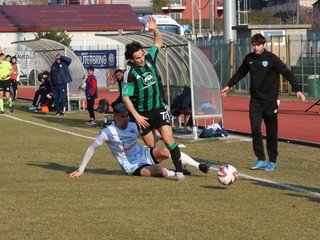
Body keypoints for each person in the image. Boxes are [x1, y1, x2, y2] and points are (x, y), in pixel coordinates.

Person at [220, 33, 306, 171]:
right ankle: (260, 159)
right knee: (255, 129)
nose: (256, 48)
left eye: (258, 45)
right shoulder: (249, 58)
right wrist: (228, 86)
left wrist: (298, 90)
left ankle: (272, 160)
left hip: (270, 102)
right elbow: (240, 73)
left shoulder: (271, 59)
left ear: (264, 44)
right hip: (255, 101)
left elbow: (287, 73)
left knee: (271, 131)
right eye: (253, 45)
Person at [69, 103, 211, 179]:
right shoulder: (107, 133)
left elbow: (150, 140)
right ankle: (174, 172)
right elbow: (91, 148)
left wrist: (160, 135)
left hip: (144, 153)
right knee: (156, 171)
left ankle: (200, 166)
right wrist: (81, 169)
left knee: (166, 151)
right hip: (131, 165)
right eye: (122, 116)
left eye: (127, 116)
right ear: (115, 117)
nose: (126, 119)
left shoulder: (132, 125)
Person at [121, 17, 186, 181]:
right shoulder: (129, 74)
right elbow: (125, 97)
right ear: (131, 59)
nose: (142, 59)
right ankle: (158, 165)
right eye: (138, 58)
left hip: (159, 108)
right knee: (151, 145)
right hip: (143, 114)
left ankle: (179, 172)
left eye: (142, 55)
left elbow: (158, 42)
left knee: (168, 139)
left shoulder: (149, 59)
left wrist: (155, 29)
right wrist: (136, 116)